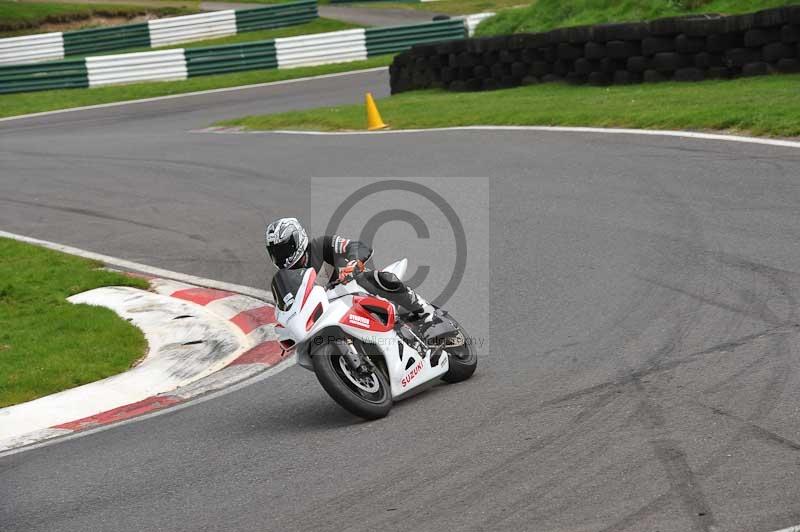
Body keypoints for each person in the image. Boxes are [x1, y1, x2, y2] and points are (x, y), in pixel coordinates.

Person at [265, 217, 437, 330]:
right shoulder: (287, 280)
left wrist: (353, 263)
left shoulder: (320, 246)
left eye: (284, 249)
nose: (282, 256)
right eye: (276, 253)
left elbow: (357, 246)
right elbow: (289, 309)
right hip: (330, 314)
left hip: (354, 289)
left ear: (298, 238)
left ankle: (424, 311)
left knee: (377, 278)